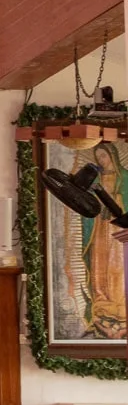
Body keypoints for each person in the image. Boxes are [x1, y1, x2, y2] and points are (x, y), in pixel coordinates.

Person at [80, 143, 128, 338]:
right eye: (98, 157)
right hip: (100, 228)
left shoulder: (125, 178)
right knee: (99, 264)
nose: (101, 160)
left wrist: (115, 201)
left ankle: (119, 302)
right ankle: (101, 301)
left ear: (113, 156)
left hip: (118, 227)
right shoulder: (95, 181)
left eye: (104, 156)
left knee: (117, 266)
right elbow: (84, 204)